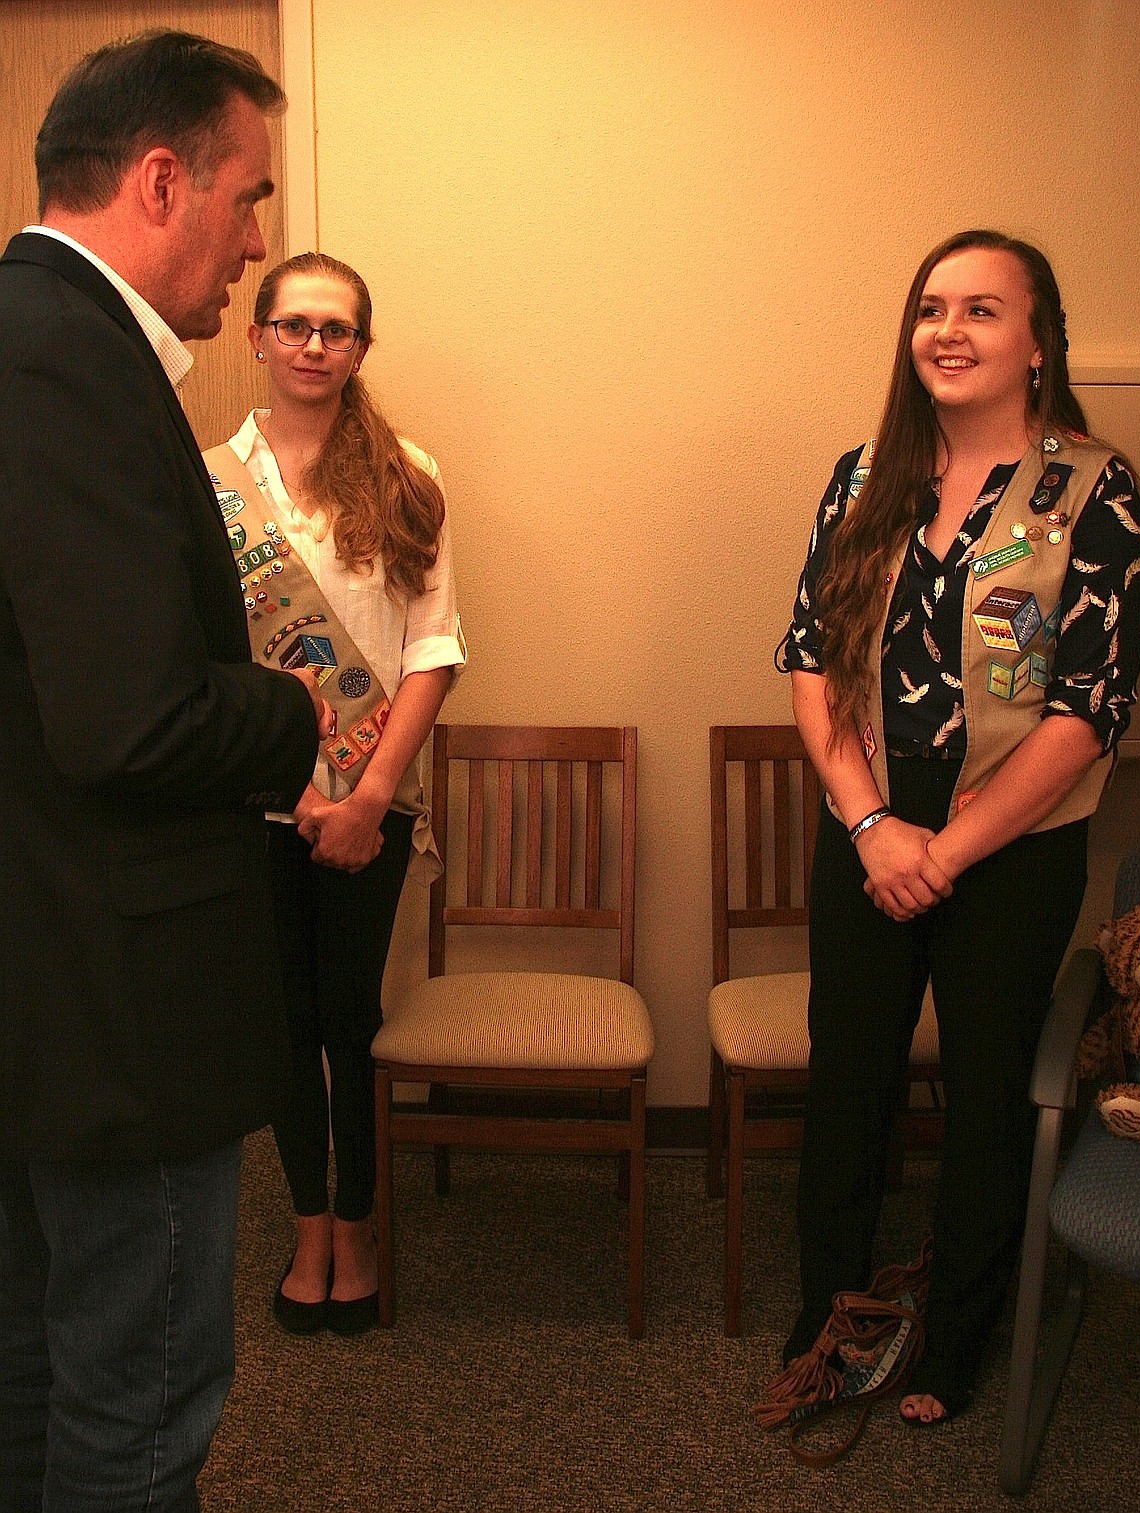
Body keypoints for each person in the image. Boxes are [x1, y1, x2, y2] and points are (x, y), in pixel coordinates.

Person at [0, 31, 333, 1512]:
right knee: (136, 1404)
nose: (256, 244)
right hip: (115, 1006)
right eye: (249, 197)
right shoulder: (67, 356)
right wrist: (287, 719)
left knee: (34, 1364)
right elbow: (129, 724)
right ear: (158, 178)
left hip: (45, 976)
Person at [777, 229, 1140, 1424]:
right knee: (848, 1081)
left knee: (989, 1094)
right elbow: (808, 661)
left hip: (1013, 842)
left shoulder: (1095, 489)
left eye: (982, 309)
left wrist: (945, 850)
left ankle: (956, 1338)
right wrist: (875, 824)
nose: (947, 329)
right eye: (931, 307)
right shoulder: (862, 478)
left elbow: (1090, 711)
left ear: (1037, 342)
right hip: (870, 817)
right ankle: (830, 1320)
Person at [204, 251, 465, 1338]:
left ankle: (357, 1225)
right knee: (277, 1027)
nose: (315, 345)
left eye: (338, 329)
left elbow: (434, 648)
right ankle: (305, 1224)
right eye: (296, 325)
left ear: (361, 347)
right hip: (246, 806)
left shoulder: (406, 474)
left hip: (372, 806)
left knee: (351, 1020)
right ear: (257, 336)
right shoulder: (204, 479)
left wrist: (368, 796)